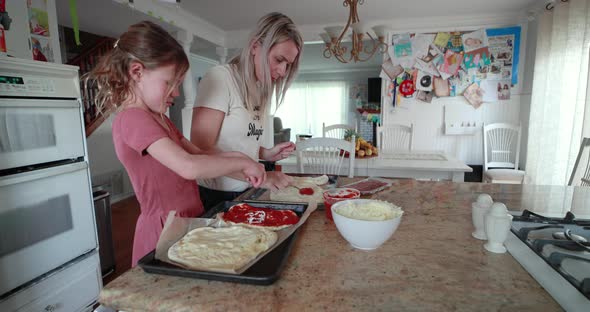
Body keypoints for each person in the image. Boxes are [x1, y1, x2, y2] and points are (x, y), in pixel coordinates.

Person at [87, 21, 266, 266]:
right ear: (137, 72)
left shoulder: (160, 119)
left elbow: (201, 155)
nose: (177, 93)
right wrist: (244, 161)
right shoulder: (132, 119)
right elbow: (188, 167)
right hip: (162, 232)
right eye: (170, 82)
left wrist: (247, 168)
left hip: (187, 222)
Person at [190, 12, 303, 210]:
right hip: (217, 194)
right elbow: (200, 148)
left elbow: (238, 142)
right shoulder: (220, 78)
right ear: (254, 47)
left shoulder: (261, 89)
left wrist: (266, 153)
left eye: (288, 65)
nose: (283, 71)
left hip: (248, 189)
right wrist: (262, 177)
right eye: (279, 60)